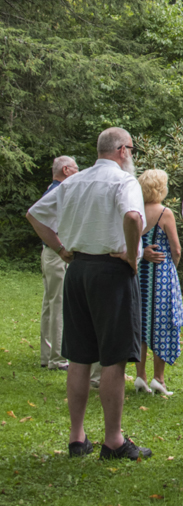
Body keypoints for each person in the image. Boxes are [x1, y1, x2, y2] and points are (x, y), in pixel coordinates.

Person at [25, 128, 151, 460]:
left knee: (79, 356)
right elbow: (133, 217)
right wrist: (132, 255)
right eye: (132, 150)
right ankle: (113, 440)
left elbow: (35, 214)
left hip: (77, 270)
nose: (132, 155)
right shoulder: (124, 182)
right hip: (111, 272)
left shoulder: (73, 182)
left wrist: (61, 248)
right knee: (113, 357)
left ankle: (77, 438)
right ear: (123, 150)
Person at [134, 169, 183, 397]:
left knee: (141, 323)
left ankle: (140, 376)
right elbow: (176, 248)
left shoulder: (135, 211)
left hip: (139, 272)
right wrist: (172, 267)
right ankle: (159, 379)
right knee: (162, 324)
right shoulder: (165, 213)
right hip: (161, 273)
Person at [36, 155, 78, 371]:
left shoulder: (52, 190)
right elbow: (38, 219)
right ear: (66, 170)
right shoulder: (57, 192)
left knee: (50, 304)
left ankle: (47, 354)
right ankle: (58, 358)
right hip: (56, 253)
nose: (79, 172)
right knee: (59, 304)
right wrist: (60, 248)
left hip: (50, 252)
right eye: (76, 168)